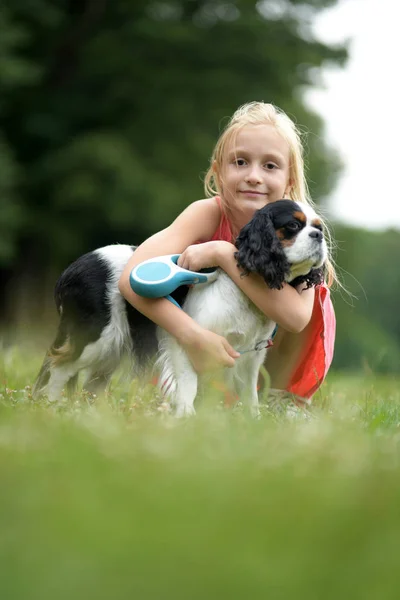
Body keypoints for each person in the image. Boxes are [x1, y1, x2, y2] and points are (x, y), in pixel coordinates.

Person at [118, 101, 336, 404]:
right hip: (198, 344)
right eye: (240, 162)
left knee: (314, 299)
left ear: (290, 180)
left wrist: (223, 254)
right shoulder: (207, 214)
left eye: (270, 166)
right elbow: (131, 277)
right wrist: (191, 335)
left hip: (265, 355)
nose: (254, 176)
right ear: (219, 172)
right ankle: (196, 389)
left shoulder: (300, 231)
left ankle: (281, 398)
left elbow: (295, 318)